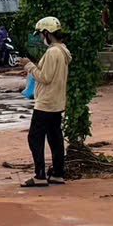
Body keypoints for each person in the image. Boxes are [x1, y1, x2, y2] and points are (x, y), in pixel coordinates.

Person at [25, 15, 70, 188]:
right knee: (55, 137)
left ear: (47, 33)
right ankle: (58, 173)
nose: (40, 38)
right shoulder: (63, 51)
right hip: (57, 102)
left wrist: (29, 66)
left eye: (41, 34)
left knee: (35, 137)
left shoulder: (53, 52)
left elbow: (44, 77)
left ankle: (40, 175)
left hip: (46, 103)